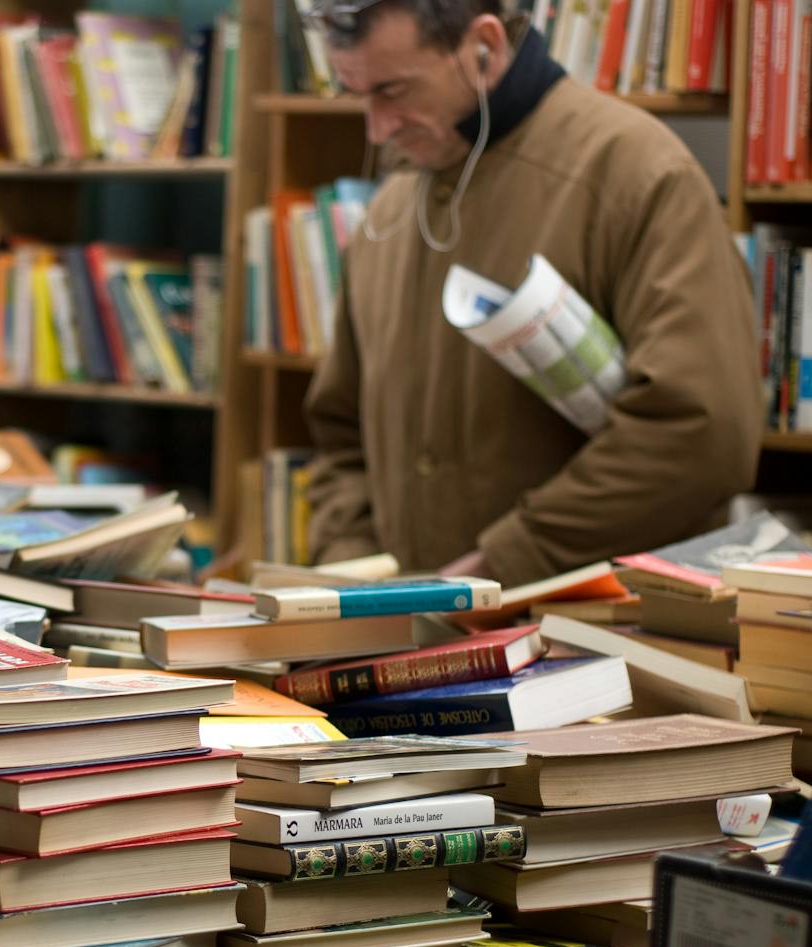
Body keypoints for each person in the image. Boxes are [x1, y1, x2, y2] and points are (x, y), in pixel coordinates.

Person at [302, 0, 762, 585]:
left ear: (484, 46)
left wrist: (511, 559)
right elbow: (340, 436)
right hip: (405, 636)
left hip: (593, 640)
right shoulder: (389, 211)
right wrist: (351, 572)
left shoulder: (637, 176)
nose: (377, 128)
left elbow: (700, 434)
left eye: (393, 91)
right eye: (356, 94)